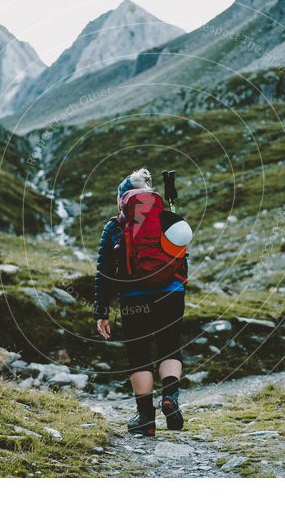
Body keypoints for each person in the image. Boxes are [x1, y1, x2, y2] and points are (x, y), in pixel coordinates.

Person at [93, 168, 189, 436]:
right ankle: (170, 397)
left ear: (123, 197)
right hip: (171, 292)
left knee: (140, 355)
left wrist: (102, 310)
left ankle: (145, 419)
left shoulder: (115, 225)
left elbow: (105, 271)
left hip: (134, 297)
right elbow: (182, 255)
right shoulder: (167, 216)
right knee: (170, 346)